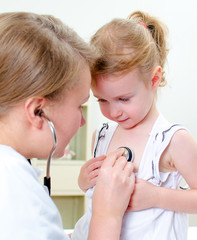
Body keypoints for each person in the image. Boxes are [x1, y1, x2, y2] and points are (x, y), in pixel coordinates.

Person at [0, 12, 135, 240]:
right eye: (79, 105)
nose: (83, 122)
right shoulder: (15, 190)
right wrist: (107, 216)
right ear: (37, 111)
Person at [74, 11, 197, 240]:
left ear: (153, 80)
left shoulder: (173, 141)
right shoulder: (100, 137)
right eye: (101, 99)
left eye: (123, 99)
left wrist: (157, 197)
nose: (112, 111)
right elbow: (97, 199)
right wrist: (84, 181)